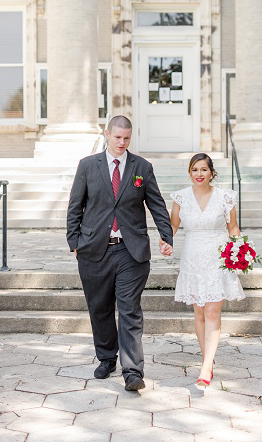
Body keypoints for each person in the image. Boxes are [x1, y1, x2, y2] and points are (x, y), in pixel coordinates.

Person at [66, 115, 174, 391]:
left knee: (129, 310)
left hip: (131, 251)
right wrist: (74, 241)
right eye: (117, 138)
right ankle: (106, 358)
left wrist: (166, 236)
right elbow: (75, 207)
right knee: (99, 308)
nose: (122, 143)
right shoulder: (88, 166)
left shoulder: (142, 167)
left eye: (126, 138)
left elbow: (157, 205)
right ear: (107, 134)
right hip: (94, 250)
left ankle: (133, 371)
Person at [169, 153, 245, 389]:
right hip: (192, 258)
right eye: (195, 170)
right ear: (189, 173)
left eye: (203, 170)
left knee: (213, 311)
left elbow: (233, 228)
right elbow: (172, 226)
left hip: (217, 257)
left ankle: (205, 367)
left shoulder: (225, 197)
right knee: (199, 312)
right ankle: (208, 362)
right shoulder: (180, 197)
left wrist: (240, 252)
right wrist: (165, 242)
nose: (199, 174)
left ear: (212, 172)